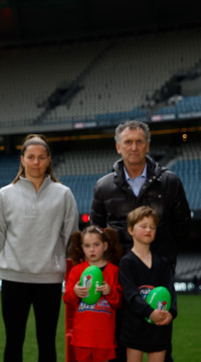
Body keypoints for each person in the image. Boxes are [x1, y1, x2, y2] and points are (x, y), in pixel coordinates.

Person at [0, 134, 79, 362]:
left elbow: (71, 237)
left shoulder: (64, 195)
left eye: (41, 157)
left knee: (47, 341)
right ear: (22, 159)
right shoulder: (4, 195)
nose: (36, 162)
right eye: (31, 157)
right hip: (14, 278)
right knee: (14, 340)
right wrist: (14, 259)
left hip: (49, 279)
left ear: (49, 160)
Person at [91, 120, 191, 270]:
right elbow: (96, 231)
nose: (134, 147)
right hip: (119, 271)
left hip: (159, 271)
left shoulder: (170, 182)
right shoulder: (103, 186)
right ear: (118, 147)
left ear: (147, 146)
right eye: (128, 142)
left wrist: (165, 258)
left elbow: (182, 228)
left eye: (139, 142)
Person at [118, 206, 177, 362]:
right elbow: (130, 294)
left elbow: (171, 291)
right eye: (143, 226)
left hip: (159, 326)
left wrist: (171, 313)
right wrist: (149, 312)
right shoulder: (126, 262)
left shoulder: (163, 263)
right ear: (130, 230)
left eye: (152, 227)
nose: (148, 230)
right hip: (134, 326)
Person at [63, 226, 122, 362]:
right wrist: (75, 292)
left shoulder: (114, 271)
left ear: (105, 245)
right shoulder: (77, 271)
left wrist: (110, 292)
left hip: (104, 340)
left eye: (96, 244)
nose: (92, 249)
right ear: (82, 248)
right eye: (87, 246)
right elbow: (67, 299)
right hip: (82, 338)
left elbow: (119, 303)